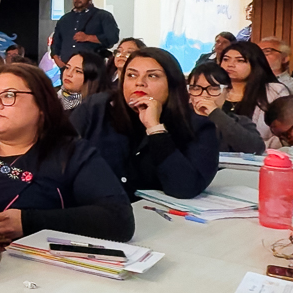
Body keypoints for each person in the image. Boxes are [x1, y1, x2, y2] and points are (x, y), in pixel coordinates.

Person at [0, 64, 134, 243]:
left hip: (34, 266)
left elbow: (119, 220)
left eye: (8, 95)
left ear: (42, 104)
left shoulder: (71, 154)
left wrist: (27, 222)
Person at [71, 48, 220, 199]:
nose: (139, 83)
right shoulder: (96, 108)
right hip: (96, 211)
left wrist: (155, 128)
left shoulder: (197, 127)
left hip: (156, 218)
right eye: (131, 75)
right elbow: (59, 160)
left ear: (172, 84)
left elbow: (185, 188)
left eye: (152, 76)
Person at [187, 62, 265, 154]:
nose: (204, 95)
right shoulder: (179, 120)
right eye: (196, 89)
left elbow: (256, 148)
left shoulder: (240, 121)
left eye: (213, 89)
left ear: (228, 92)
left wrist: (215, 113)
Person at [218, 41, 289, 142]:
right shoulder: (212, 89)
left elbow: (283, 132)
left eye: (240, 61)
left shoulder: (275, 91)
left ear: (255, 64)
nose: (230, 65)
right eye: (225, 59)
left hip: (259, 154)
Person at [50, 0, 120, 68]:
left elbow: (113, 37)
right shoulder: (65, 19)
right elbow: (56, 42)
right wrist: (58, 61)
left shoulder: (103, 16)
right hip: (67, 67)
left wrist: (88, 37)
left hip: (92, 68)